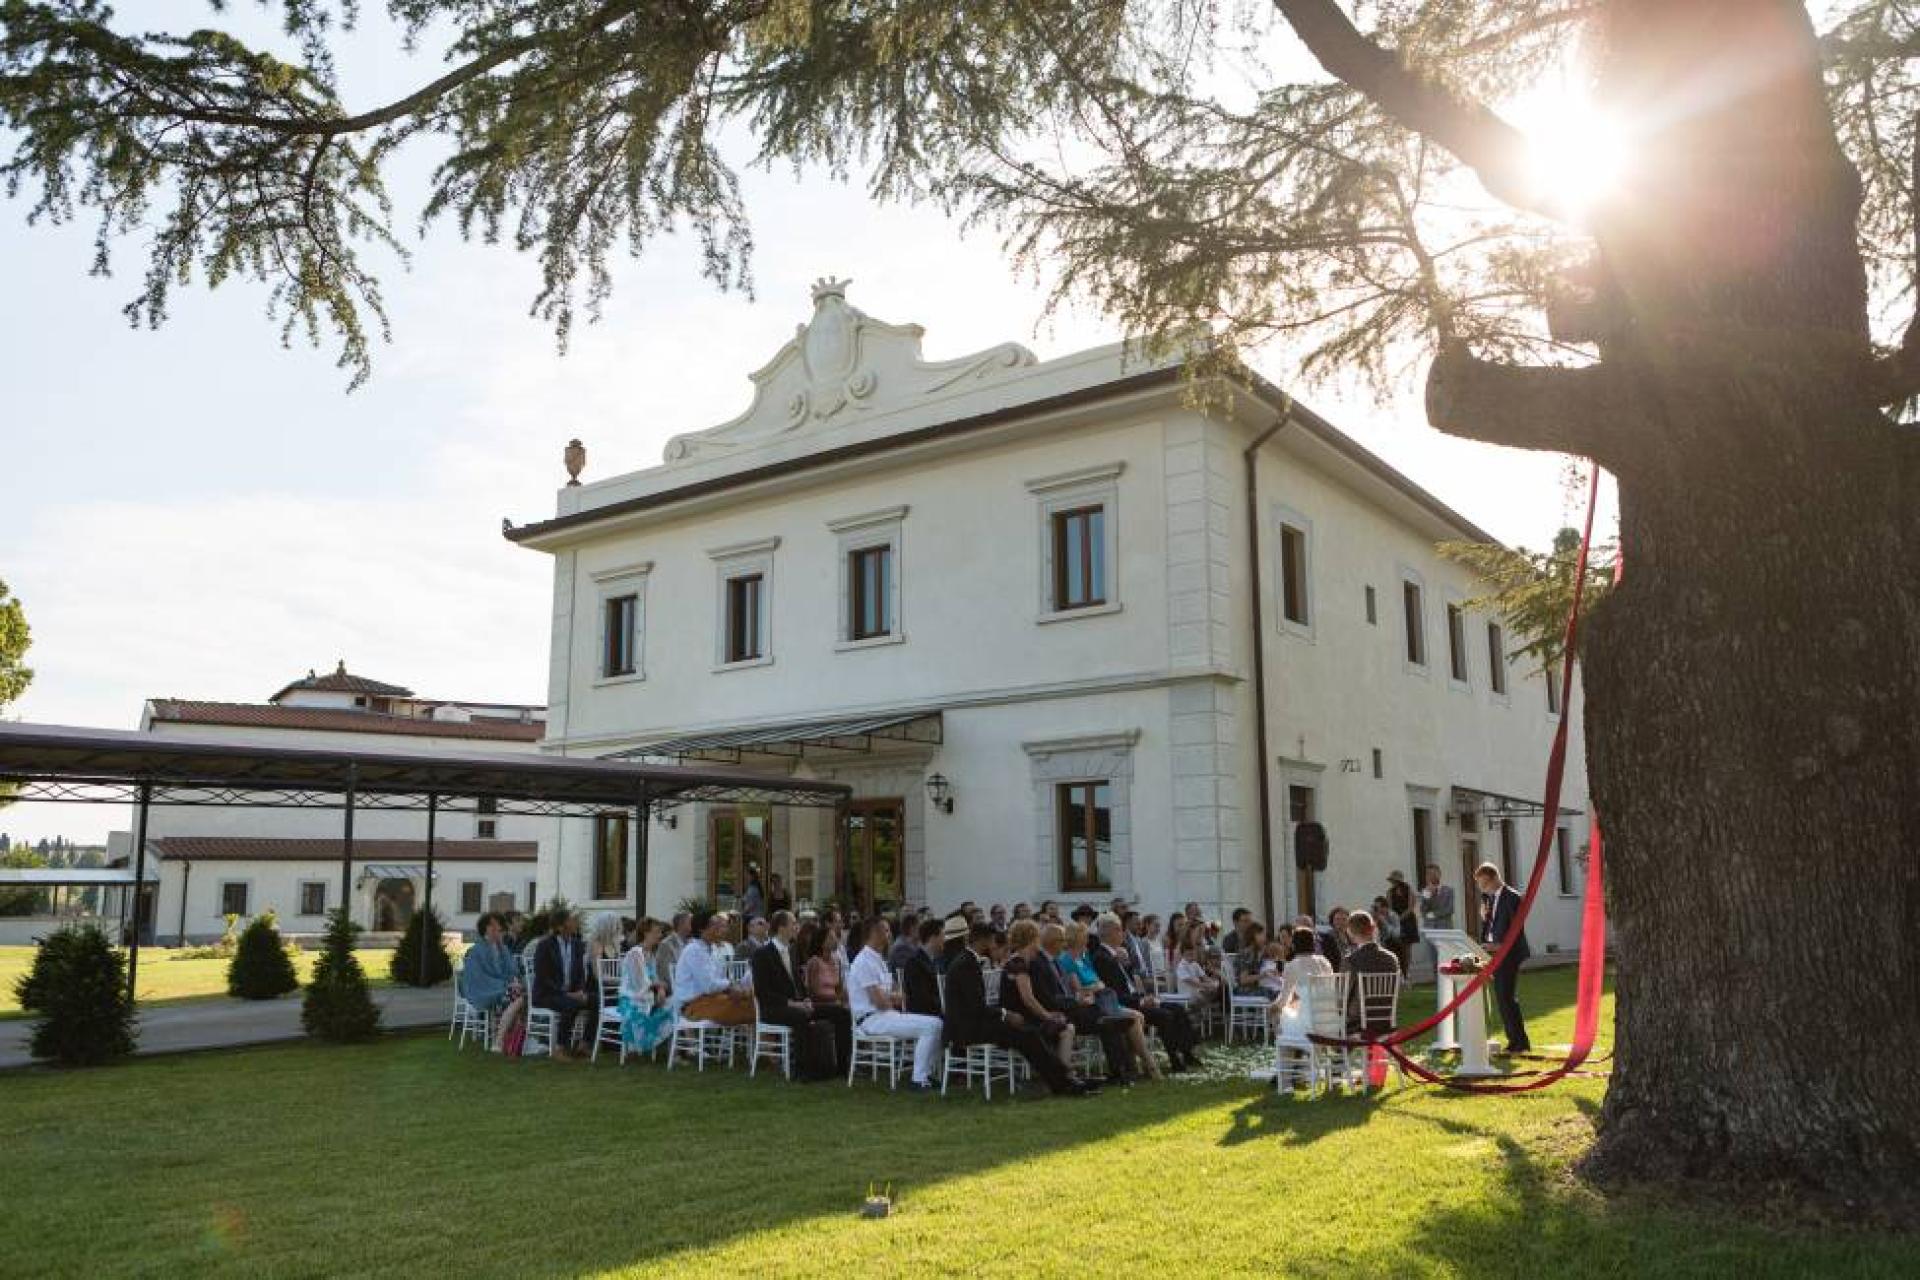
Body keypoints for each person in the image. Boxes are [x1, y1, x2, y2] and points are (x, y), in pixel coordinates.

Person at [946, 921, 1094, 1096]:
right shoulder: (965, 964)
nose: (994, 944)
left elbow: (977, 1006)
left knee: (1030, 1033)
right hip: (967, 1028)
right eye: (992, 940)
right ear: (982, 940)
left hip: (977, 1021)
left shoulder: (968, 961)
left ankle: (1063, 1079)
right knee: (1028, 1034)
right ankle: (1063, 1081)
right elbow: (975, 1006)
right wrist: (1005, 1013)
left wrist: (1004, 1014)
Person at [1092, 913, 1202, 1072]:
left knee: (1177, 1008)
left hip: (1135, 998)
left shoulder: (1116, 954)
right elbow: (1114, 993)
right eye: (1120, 930)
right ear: (1110, 932)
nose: (1123, 934)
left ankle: (1187, 1052)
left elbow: (1128, 982)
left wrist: (1128, 966)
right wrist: (1141, 1001)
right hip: (1125, 1004)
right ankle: (1174, 1059)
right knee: (1165, 1015)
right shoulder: (1102, 957)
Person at [848, 919, 944, 1091]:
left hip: (886, 1015)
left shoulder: (877, 959)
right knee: (932, 1025)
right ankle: (919, 1079)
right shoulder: (863, 962)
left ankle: (925, 1075)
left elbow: (897, 993)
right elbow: (880, 1001)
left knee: (936, 1023)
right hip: (871, 1019)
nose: (890, 934)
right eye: (886, 931)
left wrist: (890, 997)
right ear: (874, 934)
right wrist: (892, 997)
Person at [1039, 923, 1138, 1084]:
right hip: (1068, 1009)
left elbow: (1092, 985)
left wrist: (1082, 996)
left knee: (1109, 1021)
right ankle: (1121, 1071)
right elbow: (1056, 995)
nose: (1064, 944)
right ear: (1052, 942)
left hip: (1081, 1004)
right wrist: (1079, 998)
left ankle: (1122, 1070)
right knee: (1108, 1021)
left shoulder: (1060, 961)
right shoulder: (1054, 961)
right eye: (1061, 941)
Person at [750, 910, 841, 1080]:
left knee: (839, 1012)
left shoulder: (791, 951)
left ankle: (841, 1067)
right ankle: (803, 1070)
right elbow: (763, 992)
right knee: (801, 1015)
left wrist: (806, 999)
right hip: (773, 1008)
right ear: (781, 928)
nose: (797, 927)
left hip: (795, 1005)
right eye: (793, 923)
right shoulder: (762, 954)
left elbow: (798, 984)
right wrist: (792, 1003)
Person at [1475, 861, 1533, 1053]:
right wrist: (1484, 919)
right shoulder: (1489, 898)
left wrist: (1499, 945)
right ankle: (1514, 1041)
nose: (1482, 888)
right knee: (1502, 998)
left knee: (1506, 997)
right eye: (1480, 885)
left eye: (1484, 884)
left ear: (1494, 878)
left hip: (1509, 953)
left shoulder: (1512, 897)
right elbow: (1492, 925)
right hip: (1494, 952)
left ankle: (1520, 1042)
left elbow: (1516, 929)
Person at [530, 908, 595, 1061]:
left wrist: (580, 990)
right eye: (571, 920)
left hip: (571, 993)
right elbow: (542, 976)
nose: (575, 922)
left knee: (597, 1001)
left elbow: (580, 973)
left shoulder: (577, 944)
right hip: (547, 994)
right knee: (570, 1004)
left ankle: (584, 1044)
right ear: (560, 926)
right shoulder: (545, 945)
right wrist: (565, 993)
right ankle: (560, 1048)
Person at [674, 910, 755, 1026]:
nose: (719, 929)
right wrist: (730, 986)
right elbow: (709, 986)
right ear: (702, 929)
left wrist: (736, 988)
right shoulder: (694, 950)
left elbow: (720, 979)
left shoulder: (712, 949)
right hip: (694, 1005)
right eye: (714, 925)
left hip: (712, 999)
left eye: (719, 925)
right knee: (752, 1007)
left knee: (753, 1000)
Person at [459, 912, 525, 1051]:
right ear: (485, 928)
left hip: (503, 989)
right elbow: (477, 978)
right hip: (483, 990)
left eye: (498, 926)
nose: (497, 929)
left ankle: (506, 1041)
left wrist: (513, 981)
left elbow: (512, 970)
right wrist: (506, 984)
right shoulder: (476, 950)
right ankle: (500, 1041)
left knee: (521, 995)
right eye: (492, 925)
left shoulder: (503, 948)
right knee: (518, 997)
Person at [618, 918, 675, 1054]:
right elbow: (639, 983)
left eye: (660, 932)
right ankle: (651, 1042)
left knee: (675, 1003)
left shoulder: (650, 954)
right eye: (656, 932)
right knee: (669, 1006)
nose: (660, 935)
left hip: (647, 996)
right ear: (646, 933)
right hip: (632, 998)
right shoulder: (635, 953)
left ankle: (673, 1051)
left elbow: (655, 979)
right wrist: (659, 986)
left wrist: (660, 989)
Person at [1342, 909, 1402, 1034]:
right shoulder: (1392, 958)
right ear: (1373, 928)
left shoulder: (1351, 960)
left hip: (1358, 1021)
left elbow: (1343, 995)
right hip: (1386, 1018)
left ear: (1350, 933)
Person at [1267, 926, 1334, 1033]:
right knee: (1294, 1006)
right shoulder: (1325, 962)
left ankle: (1280, 1040)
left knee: (1277, 1011)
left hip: (1307, 1022)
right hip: (1330, 1018)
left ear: (1294, 945)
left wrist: (1272, 1007)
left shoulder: (1292, 965)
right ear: (1313, 944)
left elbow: (1284, 999)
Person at [902, 918, 946, 1017]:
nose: (945, 939)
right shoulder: (914, 963)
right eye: (943, 935)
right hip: (925, 1016)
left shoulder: (937, 960)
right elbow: (922, 999)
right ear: (933, 938)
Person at [656, 912, 692, 999]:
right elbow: (665, 972)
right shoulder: (666, 944)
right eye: (690, 923)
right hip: (674, 992)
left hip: (689, 989)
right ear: (681, 925)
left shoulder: (691, 943)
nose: (693, 926)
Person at [1175, 941, 1220, 1006]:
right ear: (1183, 954)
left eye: (1192, 953)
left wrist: (1213, 983)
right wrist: (1209, 985)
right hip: (1186, 994)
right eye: (1188, 954)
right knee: (1205, 996)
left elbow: (1205, 978)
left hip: (1196, 992)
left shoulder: (1195, 964)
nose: (1191, 955)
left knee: (1216, 992)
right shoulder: (1181, 967)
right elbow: (1194, 983)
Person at [1231, 921, 1269, 997]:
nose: (1265, 938)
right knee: (1276, 994)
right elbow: (1243, 980)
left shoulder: (1255, 953)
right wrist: (1263, 975)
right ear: (1254, 936)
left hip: (1250, 989)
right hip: (1242, 990)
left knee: (1278, 992)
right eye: (1262, 935)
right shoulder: (1247, 953)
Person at [1321, 906, 1351, 971]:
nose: (1341, 922)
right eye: (1337, 919)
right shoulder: (1328, 937)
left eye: (1344, 919)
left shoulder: (1352, 936)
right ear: (1332, 921)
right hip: (1336, 970)